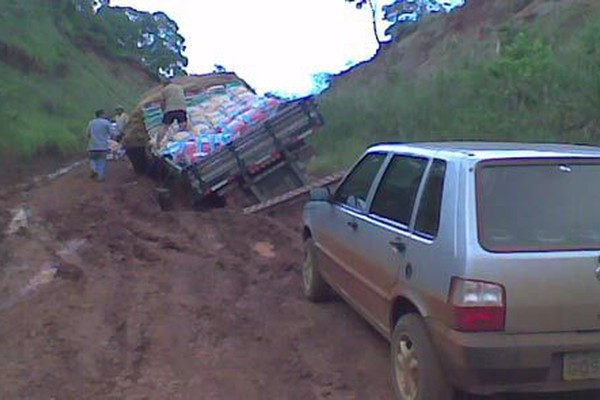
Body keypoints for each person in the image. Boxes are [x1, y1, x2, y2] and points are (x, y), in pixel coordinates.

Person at [87, 109, 112, 182]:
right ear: (101, 114)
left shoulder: (91, 123)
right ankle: (100, 177)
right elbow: (111, 132)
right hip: (103, 145)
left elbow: (88, 134)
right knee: (101, 161)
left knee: (93, 159)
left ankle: (93, 169)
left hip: (93, 145)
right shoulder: (106, 122)